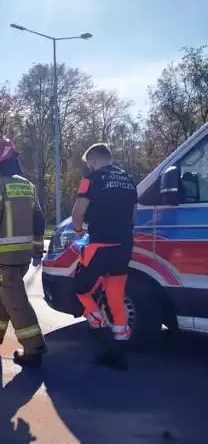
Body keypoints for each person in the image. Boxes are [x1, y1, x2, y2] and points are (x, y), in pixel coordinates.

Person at [0, 140, 47, 367]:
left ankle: (35, 347)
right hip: (22, 256)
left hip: (5, 257)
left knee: (16, 301)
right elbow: (39, 220)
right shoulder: (28, 186)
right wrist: (37, 248)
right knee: (5, 293)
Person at [72, 143, 138, 371]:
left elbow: (78, 211)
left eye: (89, 162)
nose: (89, 166)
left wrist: (79, 233)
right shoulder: (129, 180)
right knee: (115, 295)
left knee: (80, 289)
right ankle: (119, 346)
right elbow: (133, 216)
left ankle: (98, 323)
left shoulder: (92, 179)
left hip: (99, 246)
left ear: (93, 161)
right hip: (124, 246)